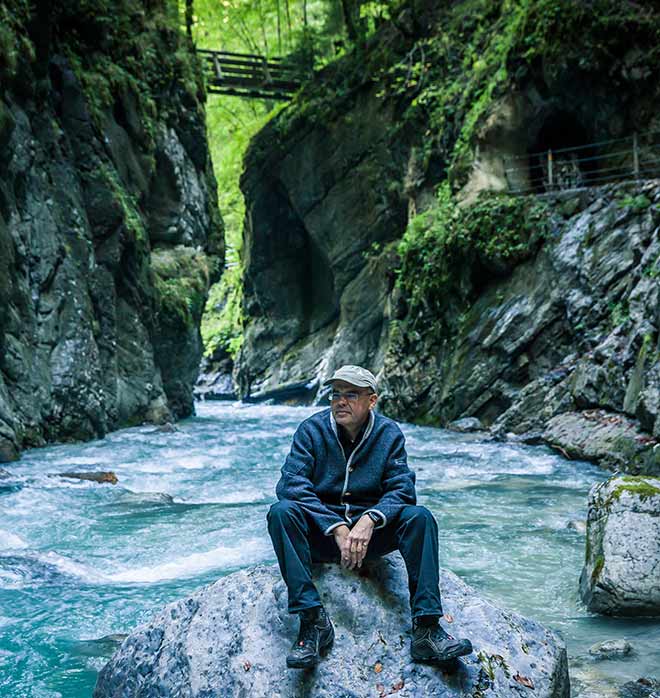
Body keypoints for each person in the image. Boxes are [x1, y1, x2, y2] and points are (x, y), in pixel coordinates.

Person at [267, 364, 473, 669]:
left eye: (351, 394)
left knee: (420, 517)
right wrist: (335, 526)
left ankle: (427, 629)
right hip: (324, 537)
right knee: (281, 513)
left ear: (372, 400)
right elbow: (291, 486)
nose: (340, 401)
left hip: (371, 538)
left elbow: (402, 489)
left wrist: (370, 519)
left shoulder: (388, 433)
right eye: (336, 394)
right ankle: (313, 622)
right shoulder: (311, 430)